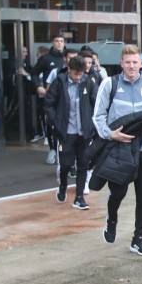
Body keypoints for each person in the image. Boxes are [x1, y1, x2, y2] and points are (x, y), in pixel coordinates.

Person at [93, 45, 142, 255]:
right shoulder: (109, 84)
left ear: (141, 63)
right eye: (128, 62)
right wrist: (110, 134)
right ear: (121, 63)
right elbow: (98, 116)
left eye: (135, 62)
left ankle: (138, 238)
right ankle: (111, 219)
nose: (132, 66)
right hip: (119, 148)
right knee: (118, 192)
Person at [45, 55, 97, 209]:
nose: (78, 77)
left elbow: (97, 103)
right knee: (66, 165)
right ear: (69, 70)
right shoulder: (60, 82)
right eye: (76, 73)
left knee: (83, 164)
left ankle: (79, 197)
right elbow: (49, 104)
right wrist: (56, 122)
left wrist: (93, 124)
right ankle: (63, 186)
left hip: (84, 131)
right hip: (66, 131)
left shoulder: (88, 82)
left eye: (81, 73)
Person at [34, 35, 67, 165]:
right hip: (51, 96)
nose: (59, 43)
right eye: (57, 41)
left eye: (62, 41)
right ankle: (53, 149)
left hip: (65, 97)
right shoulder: (46, 59)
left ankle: (64, 150)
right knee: (50, 123)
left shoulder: (69, 58)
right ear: (53, 43)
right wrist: (38, 86)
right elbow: (34, 73)